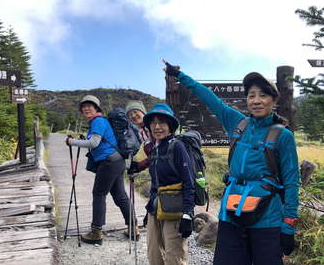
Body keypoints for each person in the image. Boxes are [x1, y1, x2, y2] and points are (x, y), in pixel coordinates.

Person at [165, 62, 299, 265]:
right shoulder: (238, 124)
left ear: (273, 100)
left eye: (263, 95)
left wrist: (288, 226)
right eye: (251, 95)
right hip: (231, 214)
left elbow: (291, 182)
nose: (256, 101)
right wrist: (180, 76)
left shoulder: (283, 136)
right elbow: (210, 98)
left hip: (268, 218)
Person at [66, 95, 138, 245]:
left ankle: (96, 232)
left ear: (96, 108)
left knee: (99, 194)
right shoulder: (99, 122)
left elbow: (93, 143)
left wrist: (72, 142)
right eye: (84, 107)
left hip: (109, 163)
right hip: (117, 161)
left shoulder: (98, 121)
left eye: (90, 106)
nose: (86, 108)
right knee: (120, 196)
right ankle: (133, 228)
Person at [142, 103, 195, 265]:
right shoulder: (155, 149)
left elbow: (189, 181)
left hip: (175, 209)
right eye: (153, 123)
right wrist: (148, 210)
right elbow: (155, 183)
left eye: (162, 122)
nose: (157, 127)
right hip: (156, 208)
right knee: (154, 254)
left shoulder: (177, 146)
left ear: (170, 126)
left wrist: (187, 213)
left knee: (174, 256)